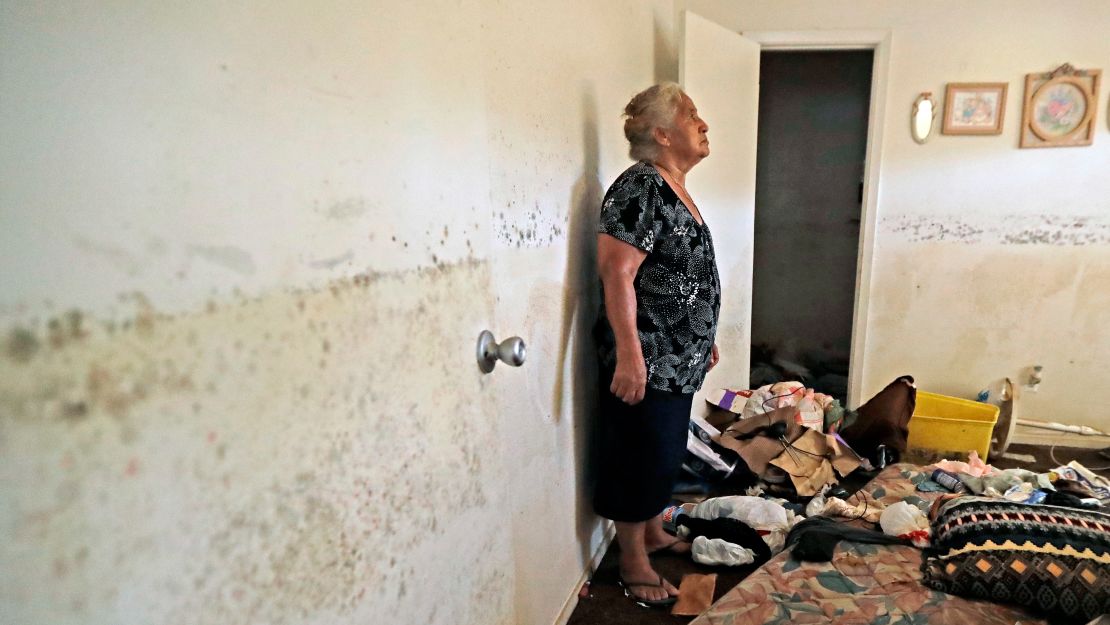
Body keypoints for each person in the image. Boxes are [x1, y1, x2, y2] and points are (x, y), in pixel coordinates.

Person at [592, 82, 721, 608]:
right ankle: (632, 560)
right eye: (692, 116)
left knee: (663, 450)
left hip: (676, 356)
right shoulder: (640, 186)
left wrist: (703, 338)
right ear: (663, 134)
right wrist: (629, 354)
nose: (703, 123)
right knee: (638, 454)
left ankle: (650, 531)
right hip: (647, 355)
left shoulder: (673, 186)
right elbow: (616, 272)